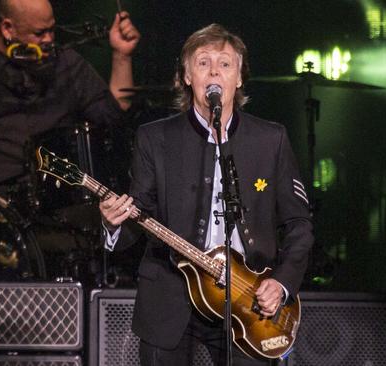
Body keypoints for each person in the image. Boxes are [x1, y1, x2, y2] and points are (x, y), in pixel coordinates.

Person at [100, 24, 313, 365]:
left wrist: (282, 283)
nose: (214, 70)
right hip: (169, 297)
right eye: (203, 62)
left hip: (249, 302)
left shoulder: (270, 139)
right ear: (186, 76)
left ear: (239, 78)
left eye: (225, 64)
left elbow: (299, 224)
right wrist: (112, 225)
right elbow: (138, 215)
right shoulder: (155, 138)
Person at [0, 0, 140, 196]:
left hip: (58, 203)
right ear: (7, 28)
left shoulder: (66, 63)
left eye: (52, 30)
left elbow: (113, 114)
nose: (49, 39)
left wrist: (122, 55)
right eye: (39, 33)